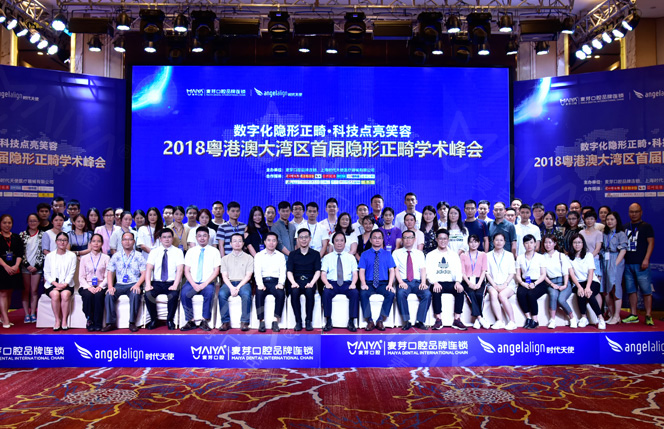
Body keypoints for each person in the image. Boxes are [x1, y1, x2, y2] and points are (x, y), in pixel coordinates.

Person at [180, 227, 221, 332]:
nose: (202, 238)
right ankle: (191, 321)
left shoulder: (215, 251)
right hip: (192, 282)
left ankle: (204, 320)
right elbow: (186, 271)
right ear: (196, 238)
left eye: (204, 236)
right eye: (199, 236)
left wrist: (205, 284)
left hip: (208, 282)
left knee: (209, 293)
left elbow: (216, 271)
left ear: (209, 237)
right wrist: (193, 284)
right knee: (184, 293)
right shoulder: (191, 251)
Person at [104, 231, 146, 332]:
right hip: (119, 284)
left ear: (134, 241)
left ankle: (132, 323)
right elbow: (110, 272)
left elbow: (144, 273)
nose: (127, 242)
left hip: (134, 283)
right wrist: (110, 286)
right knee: (109, 295)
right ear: (121, 242)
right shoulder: (116, 255)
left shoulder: (139, 255)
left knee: (135, 293)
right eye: (125, 240)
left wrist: (138, 285)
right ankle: (111, 323)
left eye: (130, 239)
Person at [425, 229, 466, 330]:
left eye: (445, 239)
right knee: (436, 290)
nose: (443, 241)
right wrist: (434, 282)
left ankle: (457, 319)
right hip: (437, 282)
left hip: (451, 282)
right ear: (436, 239)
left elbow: (458, 270)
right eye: (440, 239)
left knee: (460, 290)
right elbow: (428, 272)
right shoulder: (430, 255)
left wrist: (458, 282)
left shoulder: (454, 255)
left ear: (448, 240)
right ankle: (438, 319)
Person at [145, 228, 185, 330]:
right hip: (157, 282)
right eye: (164, 237)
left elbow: (180, 270)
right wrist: (148, 284)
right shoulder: (154, 252)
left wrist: (175, 285)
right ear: (160, 239)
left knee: (174, 295)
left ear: (172, 238)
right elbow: (149, 269)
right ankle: (154, 319)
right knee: (148, 294)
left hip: (171, 282)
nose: (167, 239)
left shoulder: (178, 252)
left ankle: (170, 320)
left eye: (169, 237)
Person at [622, 203, 655, 326]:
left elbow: (651, 243)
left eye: (636, 211)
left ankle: (648, 315)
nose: (634, 214)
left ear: (641, 212)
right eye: (631, 212)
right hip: (627, 264)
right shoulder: (625, 227)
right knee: (631, 290)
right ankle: (633, 314)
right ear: (628, 213)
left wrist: (646, 259)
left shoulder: (646, 226)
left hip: (641, 264)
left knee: (646, 290)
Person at [321, 231, 360, 332]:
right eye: (337, 240)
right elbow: (323, 274)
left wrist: (353, 284)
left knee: (355, 293)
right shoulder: (327, 257)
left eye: (341, 240)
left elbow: (355, 273)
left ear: (345, 243)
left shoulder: (351, 257)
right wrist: (327, 284)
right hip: (332, 283)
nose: (339, 243)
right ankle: (328, 320)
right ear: (333, 242)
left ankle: (351, 321)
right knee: (326, 292)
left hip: (347, 283)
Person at [358, 229, 396, 331]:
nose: (377, 240)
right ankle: (369, 320)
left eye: (379, 238)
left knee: (390, 294)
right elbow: (361, 271)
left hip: (383, 283)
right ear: (370, 240)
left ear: (383, 240)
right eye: (374, 238)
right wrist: (363, 284)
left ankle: (380, 319)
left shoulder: (387, 254)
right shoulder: (364, 254)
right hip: (369, 283)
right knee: (363, 293)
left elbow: (392, 270)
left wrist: (390, 284)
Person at [393, 229, 431, 330]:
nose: (408, 240)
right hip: (404, 281)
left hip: (417, 282)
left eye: (410, 238)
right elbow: (396, 269)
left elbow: (423, 269)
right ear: (402, 240)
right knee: (400, 293)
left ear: (414, 239)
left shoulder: (419, 253)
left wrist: (423, 282)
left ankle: (420, 321)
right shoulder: (396, 253)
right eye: (405, 238)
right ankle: (406, 321)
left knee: (427, 294)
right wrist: (401, 282)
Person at [568, 233, 606, 330]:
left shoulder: (589, 255)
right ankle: (584, 317)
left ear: (583, 244)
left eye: (579, 242)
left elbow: (591, 272)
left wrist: (588, 287)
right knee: (581, 293)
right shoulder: (569, 258)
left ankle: (600, 318)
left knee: (589, 294)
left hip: (592, 281)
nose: (577, 245)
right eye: (575, 242)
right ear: (572, 244)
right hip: (578, 282)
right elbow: (572, 275)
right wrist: (579, 287)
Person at [287, 228, 322, 331]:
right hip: (296, 281)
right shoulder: (292, 254)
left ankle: (308, 321)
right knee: (294, 292)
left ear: (310, 239)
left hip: (310, 281)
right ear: (297, 239)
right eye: (301, 237)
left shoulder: (315, 254)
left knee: (309, 292)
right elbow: (289, 271)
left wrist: (312, 283)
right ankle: (298, 321)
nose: (304, 239)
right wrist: (293, 283)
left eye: (306, 237)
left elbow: (318, 271)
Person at [218, 233, 254, 331]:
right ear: (230, 243)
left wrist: (237, 287)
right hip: (229, 283)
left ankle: (244, 322)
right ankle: (225, 322)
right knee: (221, 294)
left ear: (243, 243)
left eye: (239, 241)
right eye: (234, 241)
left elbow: (248, 276)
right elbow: (224, 276)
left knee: (246, 294)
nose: (237, 243)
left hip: (243, 283)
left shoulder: (249, 258)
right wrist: (231, 287)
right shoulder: (225, 258)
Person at [43, 232, 77, 330]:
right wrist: (56, 284)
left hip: (67, 284)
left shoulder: (72, 255)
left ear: (67, 242)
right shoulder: (49, 256)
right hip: (52, 284)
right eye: (60, 240)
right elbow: (46, 273)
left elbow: (72, 272)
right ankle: (57, 320)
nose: (62, 242)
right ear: (56, 242)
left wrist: (64, 284)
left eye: (64, 240)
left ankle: (64, 320)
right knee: (55, 294)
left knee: (65, 295)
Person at [254, 232, 287, 332]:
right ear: (265, 242)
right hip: (263, 281)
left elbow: (283, 271)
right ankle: (261, 321)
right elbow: (257, 272)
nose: (271, 243)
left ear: (277, 242)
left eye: (274, 241)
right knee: (259, 293)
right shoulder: (259, 255)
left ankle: (275, 321)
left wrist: (281, 283)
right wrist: (260, 284)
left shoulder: (280, 256)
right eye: (269, 240)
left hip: (275, 281)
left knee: (281, 294)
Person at [540, 234, 575, 328]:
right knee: (553, 295)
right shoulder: (542, 257)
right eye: (545, 242)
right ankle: (552, 320)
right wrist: (552, 284)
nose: (547, 245)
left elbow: (566, 272)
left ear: (555, 243)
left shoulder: (561, 255)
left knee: (561, 299)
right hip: (551, 282)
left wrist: (565, 284)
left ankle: (572, 318)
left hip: (564, 281)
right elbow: (543, 274)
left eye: (550, 242)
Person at [485, 232, 518, 330]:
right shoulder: (487, 255)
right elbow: (487, 273)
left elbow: (512, 272)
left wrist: (505, 284)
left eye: (501, 240)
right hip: (492, 283)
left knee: (502, 295)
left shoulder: (509, 255)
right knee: (493, 293)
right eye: (496, 240)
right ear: (493, 242)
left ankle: (512, 321)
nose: (499, 242)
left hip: (508, 283)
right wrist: (494, 285)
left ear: (504, 242)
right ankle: (500, 321)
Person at [78, 233, 110, 331]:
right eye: (94, 241)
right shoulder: (84, 258)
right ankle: (89, 319)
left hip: (101, 285)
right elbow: (81, 277)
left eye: (98, 241)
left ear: (102, 244)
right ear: (90, 243)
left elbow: (108, 276)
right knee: (88, 295)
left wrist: (101, 286)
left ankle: (98, 322)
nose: (96, 243)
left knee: (98, 295)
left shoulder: (106, 258)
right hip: (87, 285)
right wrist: (89, 287)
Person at [515, 234, 547, 329]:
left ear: (535, 244)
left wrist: (535, 283)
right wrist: (522, 283)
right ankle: (528, 318)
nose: (529, 245)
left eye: (531, 242)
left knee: (531, 294)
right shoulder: (520, 258)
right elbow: (518, 275)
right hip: (525, 281)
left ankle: (535, 320)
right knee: (520, 293)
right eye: (526, 243)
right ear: (523, 244)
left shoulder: (540, 257)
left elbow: (543, 274)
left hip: (538, 282)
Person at [601, 211, 628, 325]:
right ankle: (612, 315)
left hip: (615, 259)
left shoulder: (620, 234)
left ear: (617, 221)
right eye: (608, 219)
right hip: (605, 260)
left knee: (615, 287)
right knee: (606, 288)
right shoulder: (604, 233)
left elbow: (623, 250)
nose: (609, 221)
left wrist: (615, 264)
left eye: (612, 219)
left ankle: (617, 315)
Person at [460, 235, 489, 329]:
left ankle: (477, 319)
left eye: (476, 242)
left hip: (479, 280)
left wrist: (479, 283)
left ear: (479, 243)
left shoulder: (483, 255)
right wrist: (469, 284)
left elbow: (484, 270)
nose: (473, 244)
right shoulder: (463, 255)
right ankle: (480, 318)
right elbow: (462, 272)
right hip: (467, 280)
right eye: (471, 242)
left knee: (479, 294)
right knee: (471, 294)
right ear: (468, 243)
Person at [0, 215, 24, 328]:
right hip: (2, 268)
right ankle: (6, 319)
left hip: (14, 267)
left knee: (9, 292)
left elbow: (20, 253)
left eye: (9, 223)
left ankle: (3, 316)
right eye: (4, 223)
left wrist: (16, 266)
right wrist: (6, 266)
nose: (7, 225)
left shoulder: (16, 237)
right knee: (3, 293)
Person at [20, 213, 44, 323]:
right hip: (25, 267)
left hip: (37, 267)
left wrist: (37, 266)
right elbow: (20, 252)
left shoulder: (43, 235)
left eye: (35, 221)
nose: (33, 223)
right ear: (27, 222)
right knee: (26, 290)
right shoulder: (22, 235)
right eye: (30, 221)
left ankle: (33, 313)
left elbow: (43, 251)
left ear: (39, 222)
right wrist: (27, 265)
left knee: (34, 291)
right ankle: (26, 314)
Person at [580, 211, 603, 282]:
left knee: (594, 281)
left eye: (591, 219)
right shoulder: (581, 233)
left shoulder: (599, 233)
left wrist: (589, 258)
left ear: (595, 220)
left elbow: (597, 249)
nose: (589, 221)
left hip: (594, 260)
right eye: (587, 219)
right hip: (582, 259)